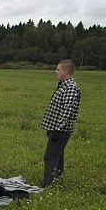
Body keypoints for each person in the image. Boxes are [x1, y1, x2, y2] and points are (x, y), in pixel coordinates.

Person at [40, 59, 80, 187]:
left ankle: (47, 185)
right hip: (55, 129)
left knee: (50, 157)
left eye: (58, 69)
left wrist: (58, 129)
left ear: (65, 71)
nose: (55, 72)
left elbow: (68, 112)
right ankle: (57, 182)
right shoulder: (64, 85)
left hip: (60, 131)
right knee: (58, 157)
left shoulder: (71, 88)